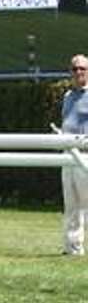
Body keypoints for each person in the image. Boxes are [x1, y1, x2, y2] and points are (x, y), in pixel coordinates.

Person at [58, 55, 88, 255]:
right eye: (75, 68)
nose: (78, 72)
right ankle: (73, 247)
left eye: (82, 69)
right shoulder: (68, 96)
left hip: (85, 154)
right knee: (71, 204)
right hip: (66, 154)